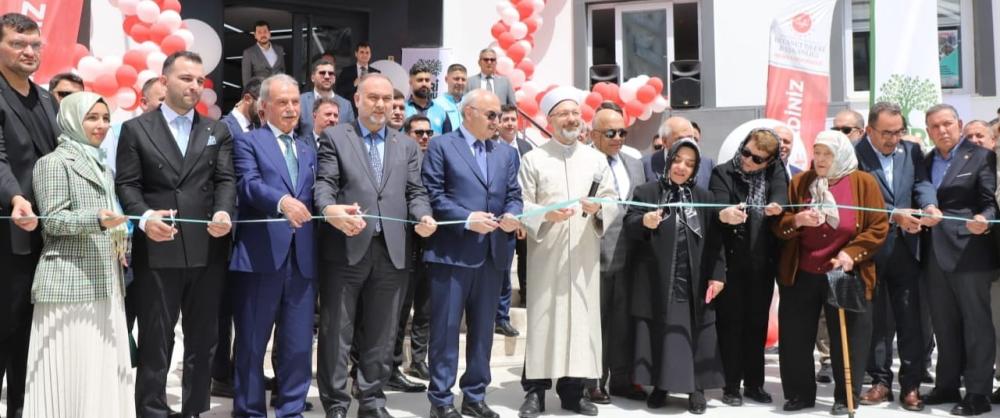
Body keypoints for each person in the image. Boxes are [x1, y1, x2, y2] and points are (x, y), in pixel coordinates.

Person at [116, 51, 237, 418]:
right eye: (186, 78)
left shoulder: (216, 130)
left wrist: (224, 211)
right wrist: (144, 217)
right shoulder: (137, 129)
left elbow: (225, 180)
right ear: (164, 81)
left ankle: (194, 409)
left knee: (204, 338)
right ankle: (151, 409)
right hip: (158, 247)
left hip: (207, 248)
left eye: (200, 80)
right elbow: (127, 184)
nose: (195, 86)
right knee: (156, 337)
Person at [314, 73, 436, 418]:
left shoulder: (406, 145)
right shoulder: (336, 137)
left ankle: (372, 400)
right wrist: (329, 210)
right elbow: (325, 184)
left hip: (393, 251)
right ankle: (336, 403)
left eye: (387, 99)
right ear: (357, 100)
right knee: (337, 332)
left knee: (382, 334)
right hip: (346, 249)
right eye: (373, 98)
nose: (381, 105)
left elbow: (415, 192)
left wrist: (423, 216)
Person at [22, 92, 133, 417]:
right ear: (71, 120)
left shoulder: (102, 167)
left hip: (106, 282)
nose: (101, 125)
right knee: (70, 374)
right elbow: (53, 220)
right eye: (92, 117)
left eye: (105, 118)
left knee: (100, 371)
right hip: (69, 284)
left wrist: (118, 240)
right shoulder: (53, 163)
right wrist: (97, 219)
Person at [517, 87, 619, 418]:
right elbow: (521, 204)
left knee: (579, 323)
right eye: (564, 114)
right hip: (547, 255)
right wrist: (545, 215)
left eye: (576, 113)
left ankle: (573, 393)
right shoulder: (533, 159)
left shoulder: (595, 159)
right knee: (544, 322)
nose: (572, 119)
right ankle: (535, 392)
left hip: (583, 254)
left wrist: (598, 207)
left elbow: (612, 199)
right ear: (550, 120)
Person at [422, 88, 523, 418]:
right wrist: (467, 219)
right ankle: (441, 400)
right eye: (491, 115)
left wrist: (513, 214)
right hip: (452, 254)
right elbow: (433, 195)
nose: (497, 122)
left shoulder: (505, 153)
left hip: (492, 254)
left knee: (483, 333)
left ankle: (475, 395)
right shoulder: (441, 146)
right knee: (446, 330)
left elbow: (514, 195)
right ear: (469, 113)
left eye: (499, 116)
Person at [772, 130, 888, 415]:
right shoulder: (801, 182)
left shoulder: (863, 182)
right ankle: (799, 394)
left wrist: (851, 253)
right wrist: (797, 220)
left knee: (850, 338)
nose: (821, 159)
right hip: (802, 271)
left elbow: (878, 226)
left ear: (842, 155)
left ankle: (846, 397)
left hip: (844, 272)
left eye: (828, 154)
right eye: (818, 153)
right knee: (796, 336)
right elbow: (779, 225)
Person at [228, 74, 317, 418]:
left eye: (295, 102)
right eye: (283, 102)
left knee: (298, 345)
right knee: (252, 342)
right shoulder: (248, 142)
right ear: (264, 107)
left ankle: (291, 409)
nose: (291, 108)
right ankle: (250, 410)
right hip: (260, 258)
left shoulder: (307, 148)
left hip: (302, 260)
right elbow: (248, 185)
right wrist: (281, 202)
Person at [625, 138, 725, 415]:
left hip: (694, 278)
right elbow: (629, 224)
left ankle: (696, 388)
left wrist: (717, 275)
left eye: (689, 164)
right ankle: (661, 385)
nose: (682, 167)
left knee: (694, 332)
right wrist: (643, 221)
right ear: (668, 161)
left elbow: (716, 242)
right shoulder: (646, 192)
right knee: (661, 331)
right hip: (658, 278)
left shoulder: (704, 198)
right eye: (678, 160)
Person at [853, 102, 939, 411]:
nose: (893, 139)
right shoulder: (854, 154)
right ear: (869, 130)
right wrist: (893, 215)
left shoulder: (911, 151)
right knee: (877, 321)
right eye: (886, 133)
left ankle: (911, 385)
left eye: (898, 132)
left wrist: (929, 205)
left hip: (907, 248)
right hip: (872, 249)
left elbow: (921, 183)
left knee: (910, 319)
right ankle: (880, 382)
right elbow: (854, 201)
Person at [0, 13, 60, 418]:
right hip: (8, 233)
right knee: (3, 329)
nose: (29, 51)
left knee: (31, 334)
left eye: (35, 44)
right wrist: (15, 198)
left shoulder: (45, 99)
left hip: (45, 237)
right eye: (18, 43)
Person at [922, 104, 997, 416]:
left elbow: (989, 203)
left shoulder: (981, 156)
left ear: (959, 123)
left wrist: (984, 220)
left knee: (976, 324)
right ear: (928, 131)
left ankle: (978, 393)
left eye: (948, 124)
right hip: (933, 253)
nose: (942, 130)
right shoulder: (926, 160)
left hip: (969, 251)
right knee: (944, 324)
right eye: (935, 126)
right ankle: (947, 385)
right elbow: (922, 193)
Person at [711, 128, 787, 406]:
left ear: (769, 161)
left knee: (757, 324)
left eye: (757, 159)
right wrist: (725, 213)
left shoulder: (775, 171)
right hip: (732, 260)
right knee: (730, 324)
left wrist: (777, 205)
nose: (748, 160)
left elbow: (781, 192)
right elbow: (717, 204)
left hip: (762, 261)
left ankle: (755, 384)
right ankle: (731, 385)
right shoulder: (723, 172)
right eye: (746, 152)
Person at [585, 103, 648, 404]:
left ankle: (622, 379)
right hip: (592, 255)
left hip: (630, 256)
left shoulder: (634, 163)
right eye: (611, 133)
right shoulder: (581, 162)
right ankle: (594, 381)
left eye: (623, 132)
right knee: (596, 323)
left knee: (624, 321)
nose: (618, 138)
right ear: (594, 134)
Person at [393, 114, 433, 384]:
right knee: (400, 309)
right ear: (407, 134)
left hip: (429, 244)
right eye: (419, 133)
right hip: (404, 244)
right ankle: (393, 363)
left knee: (425, 308)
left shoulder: (434, 160)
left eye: (428, 133)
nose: (424, 137)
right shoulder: (399, 160)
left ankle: (418, 360)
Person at [496, 104, 532, 317]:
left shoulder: (526, 147)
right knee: (503, 264)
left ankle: (527, 297)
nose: (510, 124)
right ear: (498, 123)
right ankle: (501, 312)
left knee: (527, 258)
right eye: (505, 120)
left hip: (526, 212)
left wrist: (524, 218)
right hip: (504, 215)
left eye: (513, 119)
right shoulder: (492, 147)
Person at [642, 115, 714, 188]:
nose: (687, 142)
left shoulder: (707, 165)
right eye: (680, 139)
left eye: (690, 138)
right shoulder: (645, 165)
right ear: (665, 141)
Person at [299, 59, 354, 136]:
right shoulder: (301, 101)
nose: (327, 76)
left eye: (331, 73)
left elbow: (351, 135)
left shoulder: (346, 105)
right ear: (312, 78)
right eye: (322, 73)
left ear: (334, 79)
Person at [404, 63, 451, 134]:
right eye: (420, 80)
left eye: (427, 80)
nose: (424, 84)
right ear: (410, 82)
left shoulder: (441, 112)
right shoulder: (402, 110)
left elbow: (448, 139)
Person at [335, 42, 380, 111]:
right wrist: (354, 83)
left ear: (370, 55)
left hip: (370, 109)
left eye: (367, 53)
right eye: (362, 52)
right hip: (351, 109)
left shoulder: (376, 73)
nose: (364, 55)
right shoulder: (346, 71)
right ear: (356, 54)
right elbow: (339, 90)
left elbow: (379, 92)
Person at [241, 21, 285, 87]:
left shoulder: (279, 50)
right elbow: (246, 81)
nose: (263, 35)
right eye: (259, 32)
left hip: (278, 90)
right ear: (255, 35)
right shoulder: (249, 53)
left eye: (265, 32)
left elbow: (283, 72)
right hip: (260, 91)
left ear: (269, 33)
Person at [433, 63, 467, 129]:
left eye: (463, 79)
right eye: (456, 79)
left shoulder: (471, 104)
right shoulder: (436, 104)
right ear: (446, 79)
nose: (460, 83)